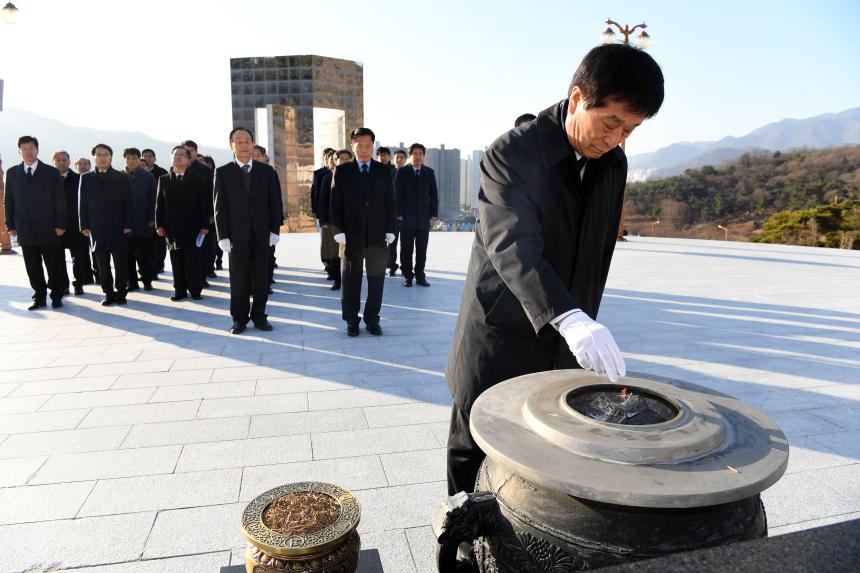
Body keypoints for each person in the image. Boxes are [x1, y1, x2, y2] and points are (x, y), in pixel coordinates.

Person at [445, 44, 665, 497]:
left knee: (547, 450)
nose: (616, 139)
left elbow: (597, 251)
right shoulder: (512, 154)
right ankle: (462, 549)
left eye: (630, 129)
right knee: (475, 446)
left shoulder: (613, 164)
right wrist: (570, 316)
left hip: (567, 336)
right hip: (501, 332)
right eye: (611, 123)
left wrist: (583, 319)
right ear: (580, 96)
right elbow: (512, 245)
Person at [214, 127, 282, 334]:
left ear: (252, 144)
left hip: (262, 234)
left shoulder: (267, 171)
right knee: (239, 278)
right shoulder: (223, 172)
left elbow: (275, 203)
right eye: (239, 141)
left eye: (247, 141)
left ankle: (260, 317)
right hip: (236, 235)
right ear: (231, 145)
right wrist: (222, 235)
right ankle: (239, 319)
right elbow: (219, 206)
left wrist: (274, 229)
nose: (244, 145)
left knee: (261, 278)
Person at [330, 128, 396, 337]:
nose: (365, 150)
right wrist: (338, 231)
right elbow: (335, 204)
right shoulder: (342, 171)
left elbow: (390, 203)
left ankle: (372, 319)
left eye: (369, 146)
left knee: (376, 281)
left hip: (377, 236)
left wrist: (391, 229)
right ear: (353, 146)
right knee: (350, 282)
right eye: (360, 146)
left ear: (373, 146)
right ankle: (351, 320)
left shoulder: (384, 170)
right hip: (350, 236)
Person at [4, 136, 67, 309]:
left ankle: (56, 295)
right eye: (24, 148)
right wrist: (11, 226)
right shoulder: (12, 173)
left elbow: (60, 200)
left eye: (31, 147)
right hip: (25, 228)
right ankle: (39, 296)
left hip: (49, 227)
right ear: (19, 151)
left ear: (37, 150)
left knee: (53, 264)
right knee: (32, 266)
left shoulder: (51, 172)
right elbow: (9, 201)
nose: (28, 151)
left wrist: (61, 224)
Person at [79, 143, 133, 306]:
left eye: (105, 154)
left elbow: (128, 202)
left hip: (118, 227)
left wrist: (128, 223)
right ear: (94, 157)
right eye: (99, 154)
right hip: (97, 228)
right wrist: (84, 225)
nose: (102, 157)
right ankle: (108, 293)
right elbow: (82, 204)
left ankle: (121, 292)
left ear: (111, 157)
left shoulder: (121, 176)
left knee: (120, 263)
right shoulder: (86, 178)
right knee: (102, 265)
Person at [156, 146, 210, 301]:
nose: (178, 157)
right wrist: (159, 225)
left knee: (192, 260)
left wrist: (205, 225)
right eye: (175, 155)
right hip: (172, 228)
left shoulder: (197, 179)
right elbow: (159, 204)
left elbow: (203, 204)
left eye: (181, 155)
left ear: (188, 160)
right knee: (176, 259)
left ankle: (195, 289)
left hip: (193, 227)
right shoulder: (164, 179)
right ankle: (179, 290)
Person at [395, 143, 438, 287]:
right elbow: (397, 195)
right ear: (410, 156)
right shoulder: (401, 172)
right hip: (406, 218)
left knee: (421, 249)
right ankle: (408, 275)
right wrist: (398, 213)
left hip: (423, 218)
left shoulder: (429, 173)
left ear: (424, 156)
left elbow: (434, 194)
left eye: (421, 153)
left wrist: (434, 213)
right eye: (415, 153)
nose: (418, 156)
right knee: (406, 249)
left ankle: (420, 276)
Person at [52, 150, 93, 295]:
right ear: (54, 162)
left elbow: (86, 202)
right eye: (58, 160)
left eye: (64, 160)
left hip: (76, 225)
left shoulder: (79, 178)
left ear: (69, 162)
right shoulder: (49, 178)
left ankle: (79, 284)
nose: (61, 162)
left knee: (78, 257)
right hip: (55, 226)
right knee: (58, 259)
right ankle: (63, 285)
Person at [122, 148, 158, 291]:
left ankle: (147, 280)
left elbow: (154, 199)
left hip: (143, 222)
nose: (131, 161)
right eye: (128, 158)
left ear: (139, 159)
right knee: (127, 256)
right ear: (124, 159)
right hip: (124, 224)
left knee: (144, 255)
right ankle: (132, 282)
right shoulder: (118, 176)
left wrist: (152, 218)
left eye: (134, 158)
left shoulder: (148, 177)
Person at [182, 140, 216, 283]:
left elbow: (211, 194)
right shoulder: (177, 170)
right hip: (182, 218)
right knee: (184, 251)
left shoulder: (205, 171)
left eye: (191, 149)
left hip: (202, 217)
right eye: (185, 150)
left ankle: (201, 278)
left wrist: (210, 215)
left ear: (196, 152)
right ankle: (186, 279)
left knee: (203, 249)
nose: (189, 152)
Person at [317, 149, 347, 290]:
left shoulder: (357, 177)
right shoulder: (328, 178)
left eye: (347, 158)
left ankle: (348, 280)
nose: (344, 161)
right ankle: (337, 279)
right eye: (341, 158)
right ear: (335, 161)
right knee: (335, 253)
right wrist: (323, 221)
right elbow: (322, 200)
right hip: (332, 222)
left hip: (352, 223)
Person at [142, 149, 169, 273]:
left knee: (160, 242)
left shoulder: (162, 173)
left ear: (155, 158)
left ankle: (159, 264)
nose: (147, 158)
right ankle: (148, 266)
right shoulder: (137, 173)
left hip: (159, 212)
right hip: (143, 214)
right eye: (145, 156)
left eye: (150, 156)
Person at [311, 148, 335, 276]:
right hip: (324, 212)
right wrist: (318, 213)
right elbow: (316, 195)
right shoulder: (320, 174)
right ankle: (327, 262)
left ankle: (334, 266)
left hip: (335, 216)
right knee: (326, 241)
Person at [377, 146, 400, 276]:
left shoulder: (394, 171)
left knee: (392, 242)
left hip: (392, 211)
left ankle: (392, 264)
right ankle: (381, 264)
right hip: (378, 212)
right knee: (379, 241)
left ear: (389, 157)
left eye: (385, 155)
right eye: (380, 155)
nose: (383, 157)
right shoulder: (373, 170)